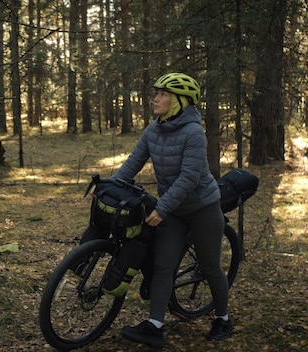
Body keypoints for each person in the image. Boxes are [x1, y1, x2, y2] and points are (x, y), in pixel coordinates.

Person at [112, 73, 234, 348]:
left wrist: (163, 207)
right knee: (163, 266)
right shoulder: (153, 129)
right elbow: (133, 164)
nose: (156, 98)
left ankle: (223, 319)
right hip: (174, 211)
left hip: (202, 208)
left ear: (180, 101)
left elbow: (190, 178)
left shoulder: (193, 133)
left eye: (163, 94)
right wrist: (110, 187)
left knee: (210, 266)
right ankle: (155, 326)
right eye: (157, 93)